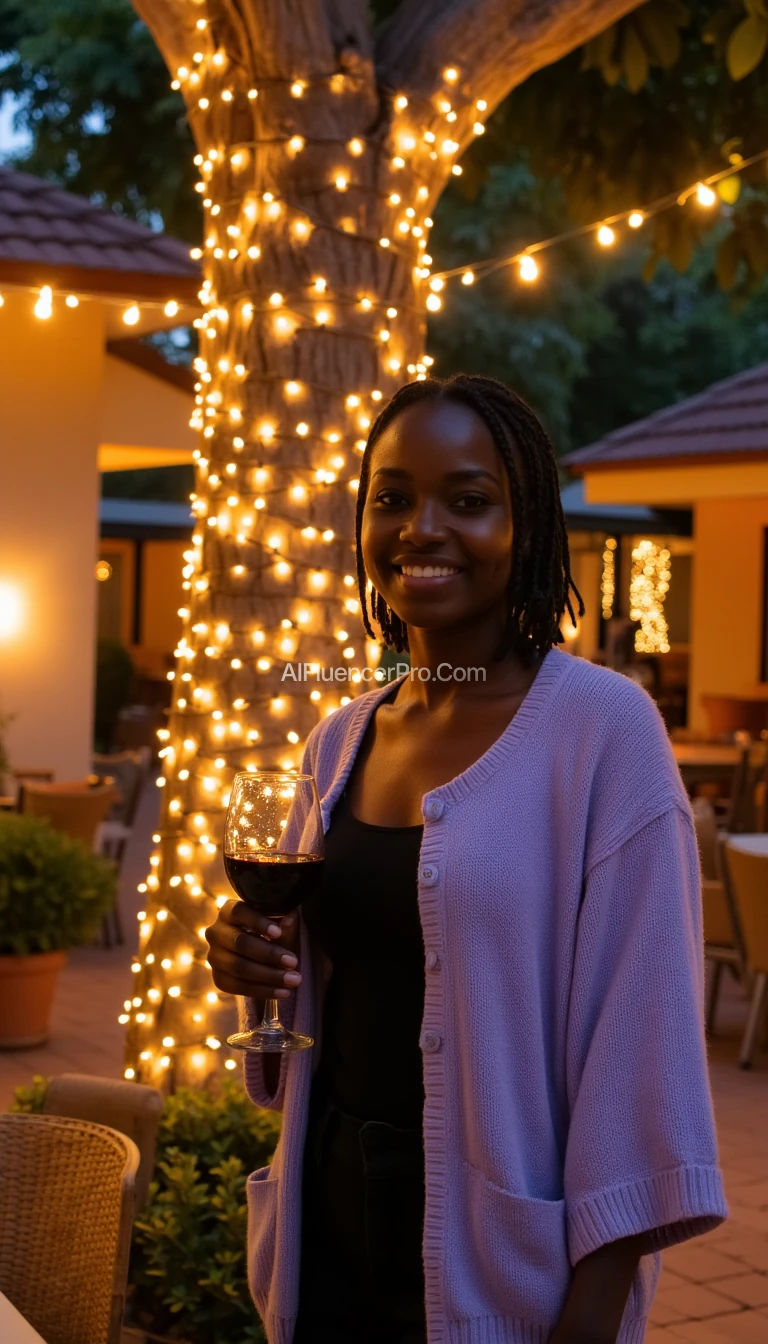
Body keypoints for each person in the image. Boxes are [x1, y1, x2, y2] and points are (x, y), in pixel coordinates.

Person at [206, 374, 726, 1344]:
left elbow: (640, 1046)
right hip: (326, 1229)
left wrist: (595, 1308)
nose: (422, 527)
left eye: (469, 500)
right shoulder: (341, 738)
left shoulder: (603, 734)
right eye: (392, 498)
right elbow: (332, 973)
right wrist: (255, 966)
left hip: (505, 1261)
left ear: (526, 527)